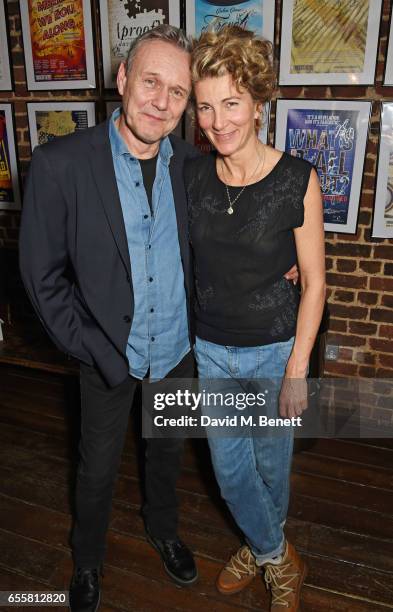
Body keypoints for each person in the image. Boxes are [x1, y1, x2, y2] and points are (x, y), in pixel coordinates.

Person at [19, 24, 298, 612]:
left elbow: (232, 229)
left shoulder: (192, 167)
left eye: (177, 91)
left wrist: (284, 264)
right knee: (96, 469)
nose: (162, 102)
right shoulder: (60, 165)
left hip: (177, 349)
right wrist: (94, 349)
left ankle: (163, 530)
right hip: (107, 353)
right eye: (151, 82)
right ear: (122, 79)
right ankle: (87, 559)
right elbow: (42, 280)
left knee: (166, 453)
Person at [185, 26, 326, 611]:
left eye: (232, 104)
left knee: (271, 467)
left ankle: (258, 546)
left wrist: (297, 367)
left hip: (274, 350)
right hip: (212, 350)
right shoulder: (190, 176)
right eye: (206, 106)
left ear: (259, 104)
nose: (218, 122)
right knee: (231, 473)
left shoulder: (298, 178)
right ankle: (278, 556)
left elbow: (315, 281)